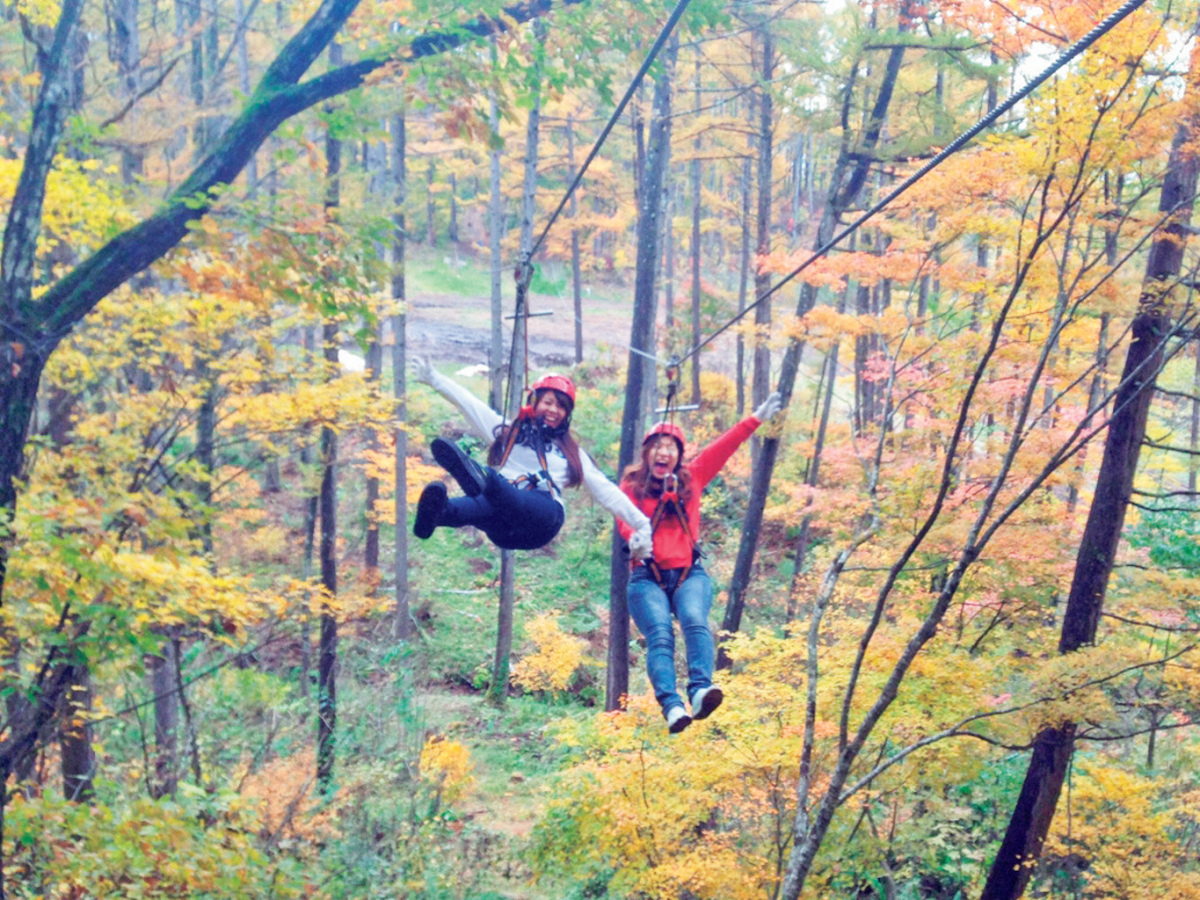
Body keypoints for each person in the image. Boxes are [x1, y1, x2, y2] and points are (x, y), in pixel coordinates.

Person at [616, 392, 783, 733]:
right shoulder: (631, 486)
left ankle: (700, 689)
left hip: (689, 572)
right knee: (660, 633)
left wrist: (756, 418)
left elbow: (724, 446)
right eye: (658, 446)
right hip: (647, 576)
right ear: (647, 452)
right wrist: (634, 541)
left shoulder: (692, 478)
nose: (665, 452)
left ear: (678, 456)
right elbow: (624, 519)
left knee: (694, 618)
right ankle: (672, 706)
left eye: (672, 447)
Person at [411, 357, 653, 553]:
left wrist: (641, 524)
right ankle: (436, 515)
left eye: (561, 407)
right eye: (548, 402)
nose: (553, 410)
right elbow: (470, 404)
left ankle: (482, 479)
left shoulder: (571, 453)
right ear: (534, 403)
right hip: (504, 528)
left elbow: (606, 492)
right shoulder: (506, 433)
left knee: (498, 493)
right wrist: (435, 379)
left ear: (566, 415)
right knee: (483, 505)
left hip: (541, 519)